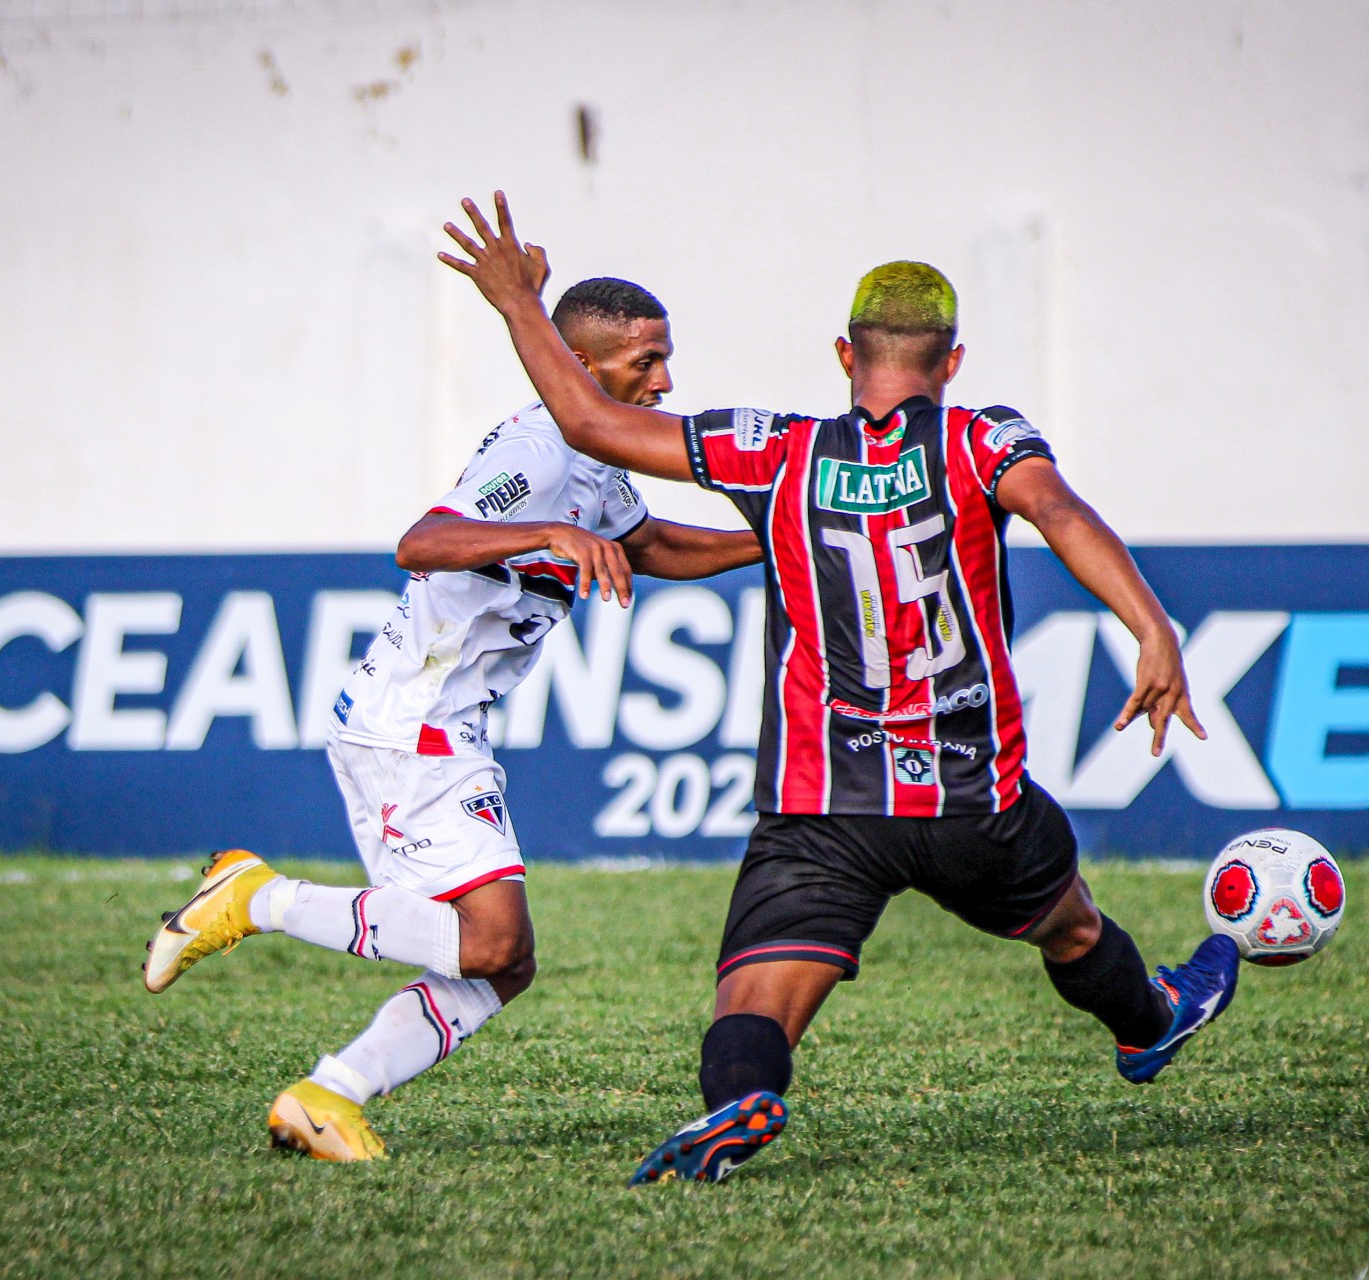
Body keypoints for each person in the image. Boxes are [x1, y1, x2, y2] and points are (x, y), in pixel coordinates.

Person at [437, 193, 1243, 1185]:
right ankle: (1151, 1021)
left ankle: (742, 1101)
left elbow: (587, 420)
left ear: (841, 355)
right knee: (1068, 921)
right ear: (950, 362)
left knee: (755, 1001)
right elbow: (1061, 510)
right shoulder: (983, 441)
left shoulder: (778, 452)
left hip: (823, 800)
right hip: (967, 792)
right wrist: (1152, 628)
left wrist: (520, 301)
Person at [141, 276, 762, 1162]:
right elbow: (422, 541)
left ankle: (326, 1095)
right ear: (578, 367)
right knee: (494, 942)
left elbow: (654, 545)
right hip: (414, 723)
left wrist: (780, 537)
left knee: (502, 964)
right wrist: (545, 534)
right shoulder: (541, 448)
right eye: (646, 361)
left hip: (435, 724)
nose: (664, 382)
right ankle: (255, 898)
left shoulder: (595, 455)